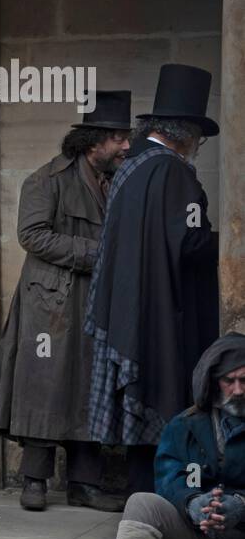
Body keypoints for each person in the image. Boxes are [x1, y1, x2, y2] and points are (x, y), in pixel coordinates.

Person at [0, 92, 132, 512]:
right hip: (49, 303)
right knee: (44, 387)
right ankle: (34, 480)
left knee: (89, 385)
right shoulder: (45, 180)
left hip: (95, 301)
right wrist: (98, 253)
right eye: (118, 138)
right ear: (93, 142)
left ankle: (83, 485)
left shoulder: (119, 180)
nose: (127, 146)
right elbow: (32, 236)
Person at [86, 64, 220, 493]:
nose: (198, 145)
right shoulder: (174, 172)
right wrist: (226, 243)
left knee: (144, 415)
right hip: (164, 312)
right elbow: (189, 243)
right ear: (184, 132)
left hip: (132, 309)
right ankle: (159, 509)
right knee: (169, 408)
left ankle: (141, 505)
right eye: (197, 135)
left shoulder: (133, 165)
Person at [93, 333, 245, 539]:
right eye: (229, 381)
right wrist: (192, 504)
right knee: (142, 503)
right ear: (213, 381)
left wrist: (241, 505)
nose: (238, 391)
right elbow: (168, 479)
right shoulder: (184, 426)